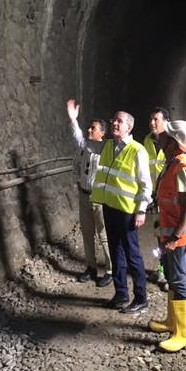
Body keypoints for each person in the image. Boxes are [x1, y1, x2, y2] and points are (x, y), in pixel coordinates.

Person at [148, 120, 186, 352]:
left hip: (176, 236)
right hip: (168, 233)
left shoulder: (182, 167)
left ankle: (183, 334)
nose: (160, 138)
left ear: (173, 143)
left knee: (179, 280)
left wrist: (174, 238)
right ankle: (172, 322)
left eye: (165, 136)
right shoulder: (172, 162)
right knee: (172, 277)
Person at [91, 111, 152, 313]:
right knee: (116, 253)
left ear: (129, 127)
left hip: (127, 211)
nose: (114, 123)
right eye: (113, 120)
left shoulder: (137, 150)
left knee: (132, 254)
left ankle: (141, 298)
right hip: (110, 207)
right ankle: (121, 294)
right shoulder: (108, 146)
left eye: (119, 121)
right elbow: (84, 145)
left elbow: (145, 183)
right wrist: (73, 120)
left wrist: (141, 210)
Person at [66, 99, 113, 287]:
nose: (89, 131)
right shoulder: (85, 149)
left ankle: (110, 270)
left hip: (99, 198)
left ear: (102, 132)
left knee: (104, 235)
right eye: (89, 128)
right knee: (87, 233)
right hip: (84, 195)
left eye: (93, 128)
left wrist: (73, 121)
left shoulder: (105, 150)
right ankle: (91, 267)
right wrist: (79, 181)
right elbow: (76, 164)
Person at [143, 107, 170, 290]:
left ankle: (172, 273)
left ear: (166, 121)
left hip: (170, 197)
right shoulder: (147, 140)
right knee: (159, 235)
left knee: (171, 235)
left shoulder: (173, 140)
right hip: (154, 196)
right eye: (151, 119)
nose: (153, 122)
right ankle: (162, 269)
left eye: (156, 119)